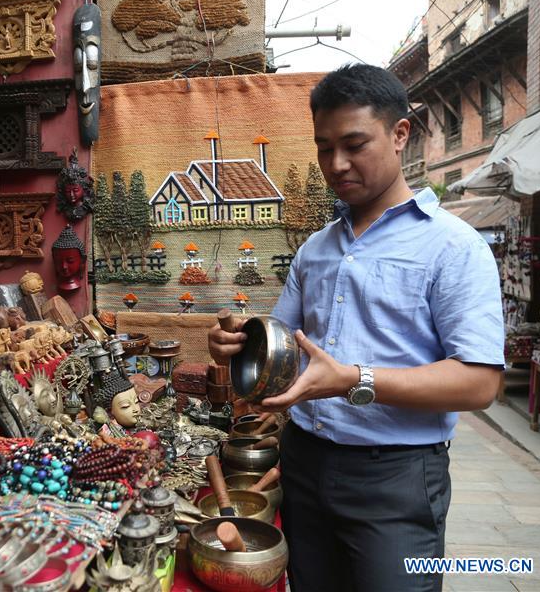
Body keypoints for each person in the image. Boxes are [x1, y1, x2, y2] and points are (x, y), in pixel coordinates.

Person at [208, 64, 503, 592]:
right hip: (304, 462)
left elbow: (479, 383)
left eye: (354, 143)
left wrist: (352, 379)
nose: (337, 164)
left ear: (400, 133)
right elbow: (285, 347)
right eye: (324, 147)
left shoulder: (454, 248)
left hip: (397, 477)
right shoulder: (316, 250)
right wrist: (239, 346)